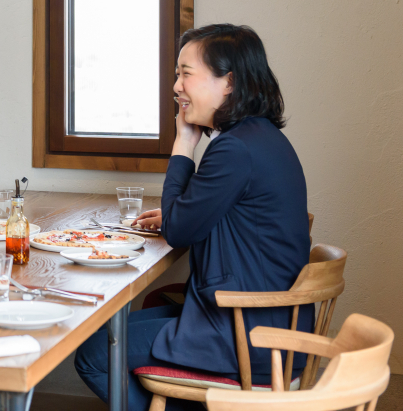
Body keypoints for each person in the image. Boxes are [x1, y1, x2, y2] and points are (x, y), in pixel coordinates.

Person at [75, 24, 312, 410]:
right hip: (265, 323)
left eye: (186, 73)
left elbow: (180, 230)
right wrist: (177, 214)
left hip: (246, 333)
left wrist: (184, 143)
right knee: (101, 335)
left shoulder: (234, 149)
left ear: (229, 82)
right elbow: (194, 218)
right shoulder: (260, 137)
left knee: (93, 355)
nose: (176, 87)